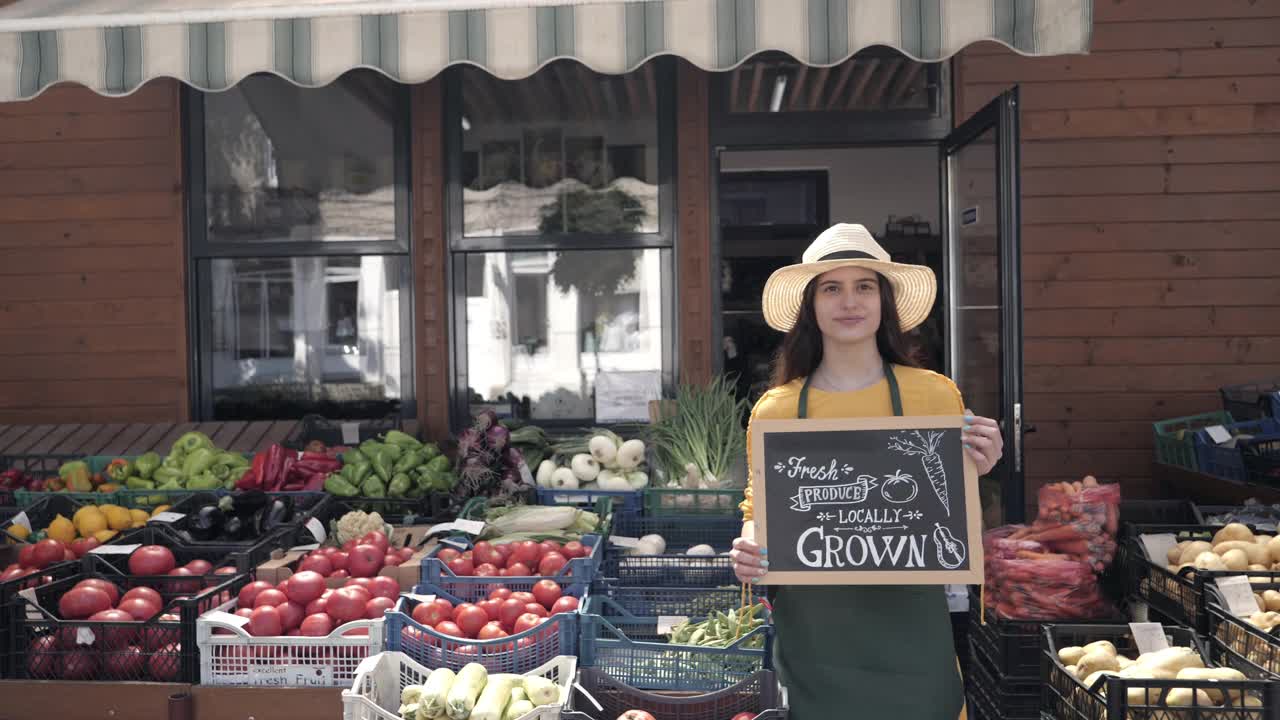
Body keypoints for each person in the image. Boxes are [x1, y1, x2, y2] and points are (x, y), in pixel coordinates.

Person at [730, 223, 1004, 720]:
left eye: (865, 287)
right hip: (817, 642)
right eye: (831, 288)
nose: (849, 302)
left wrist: (982, 464)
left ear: (884, 303)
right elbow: (759, 505)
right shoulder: (777, 410)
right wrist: (750, 546)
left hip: (913, 637)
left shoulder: (934, 394)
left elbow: (953, 506)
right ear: (812, 307)